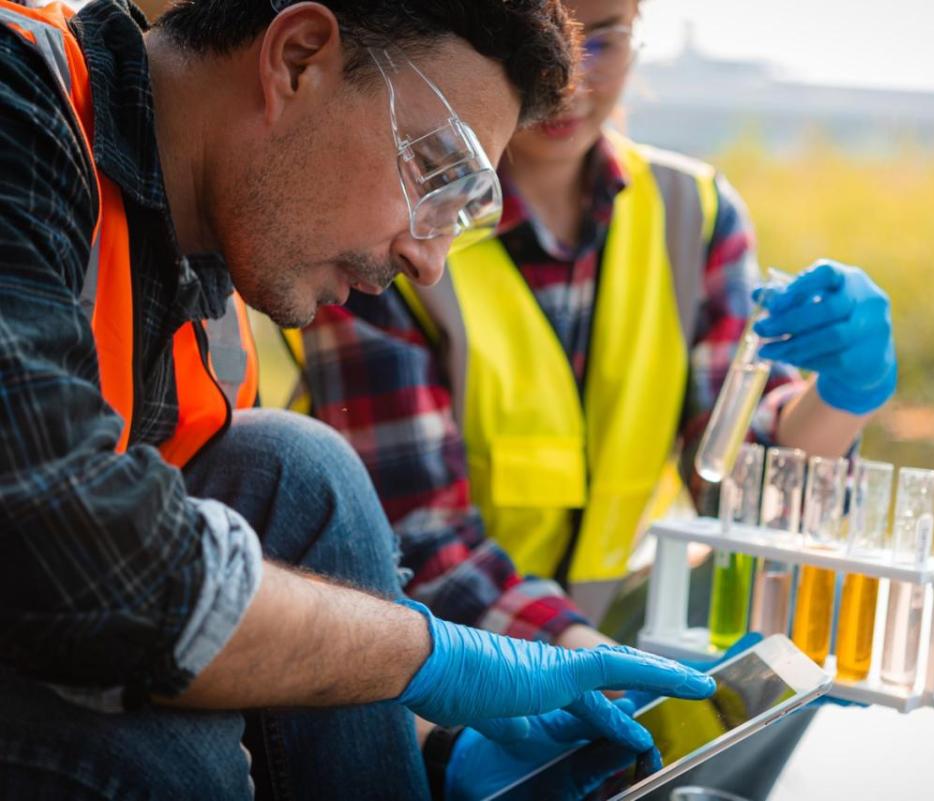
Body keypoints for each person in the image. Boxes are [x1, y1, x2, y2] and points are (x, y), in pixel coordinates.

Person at [0, 1, 720, 799]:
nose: (429, 259)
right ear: (300, 59)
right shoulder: (16, 106)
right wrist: (428, 653)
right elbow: (70, 561)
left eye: (463, 207)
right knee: (163, 761)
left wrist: (438, 748)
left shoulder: (209, 284)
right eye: (433, 170)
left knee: (299, 470)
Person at [299, 0, 895, 652]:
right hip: (429, 670)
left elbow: (736, 491)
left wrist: (841, 395)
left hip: (598, 641)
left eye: (602, 41)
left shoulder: (693, 215)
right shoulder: (390, 222)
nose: (568, 79)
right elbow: (416, 546)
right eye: (540, 38)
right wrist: (600, 673)